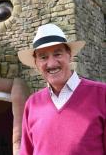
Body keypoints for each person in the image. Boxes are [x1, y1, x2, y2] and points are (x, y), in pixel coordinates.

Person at [18, 23, 106, 155]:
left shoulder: (101, 95)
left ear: (69, 55)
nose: (52, 63)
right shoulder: (32, 104)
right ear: (36, 63)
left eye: (58, 54)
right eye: (43, 57)